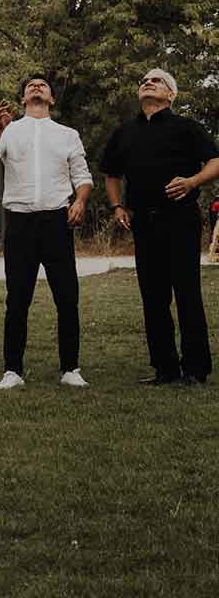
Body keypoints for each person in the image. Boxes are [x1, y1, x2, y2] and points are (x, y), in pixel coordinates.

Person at [102, 67, 218, 386]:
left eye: (156, 81)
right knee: (153, 297)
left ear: (171, 94)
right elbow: (111, 174)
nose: (147, 84)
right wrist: (117, 206)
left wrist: (193, 180)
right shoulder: (124, 132)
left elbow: (215, 161)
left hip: (181, 219)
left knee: (187, 294)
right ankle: (165, 369)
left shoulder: (187, 128)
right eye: (143, 82)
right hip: (143, 223)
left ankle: (195, 369)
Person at [0, 75, 93, 390]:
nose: (36, 87)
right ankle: (12, 370)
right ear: (24, 99)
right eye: (30, 86)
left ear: (52, 99)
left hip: (57, 221)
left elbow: (82, 175)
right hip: (20, 223)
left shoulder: (67, 134)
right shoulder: (9, 130)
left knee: (67, 297)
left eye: (42, 85)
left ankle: (70, 368)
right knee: (17, 299)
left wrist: (80, 200)